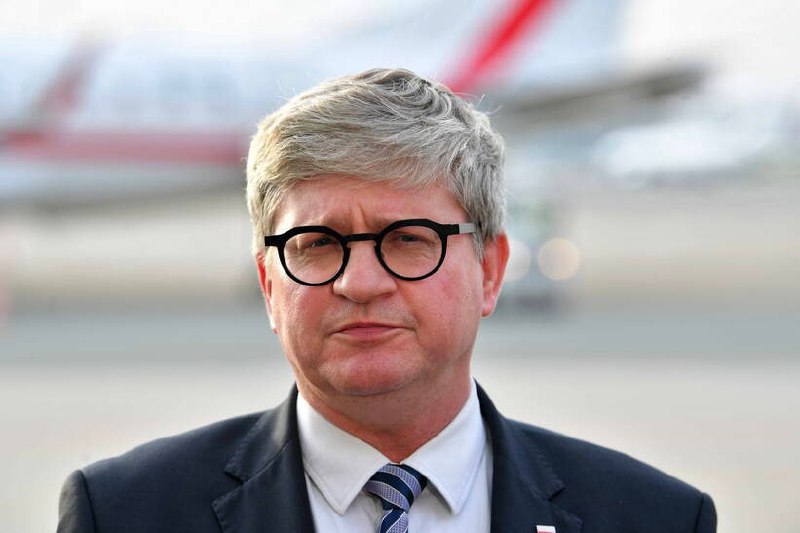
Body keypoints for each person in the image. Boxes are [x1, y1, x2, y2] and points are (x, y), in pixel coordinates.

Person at [57, 68, 716, 533]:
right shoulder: (123, 513)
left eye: (408, 239)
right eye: (318, 244)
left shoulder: (654, 517)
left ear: (490, 271)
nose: (361, 283)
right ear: (269, 285)